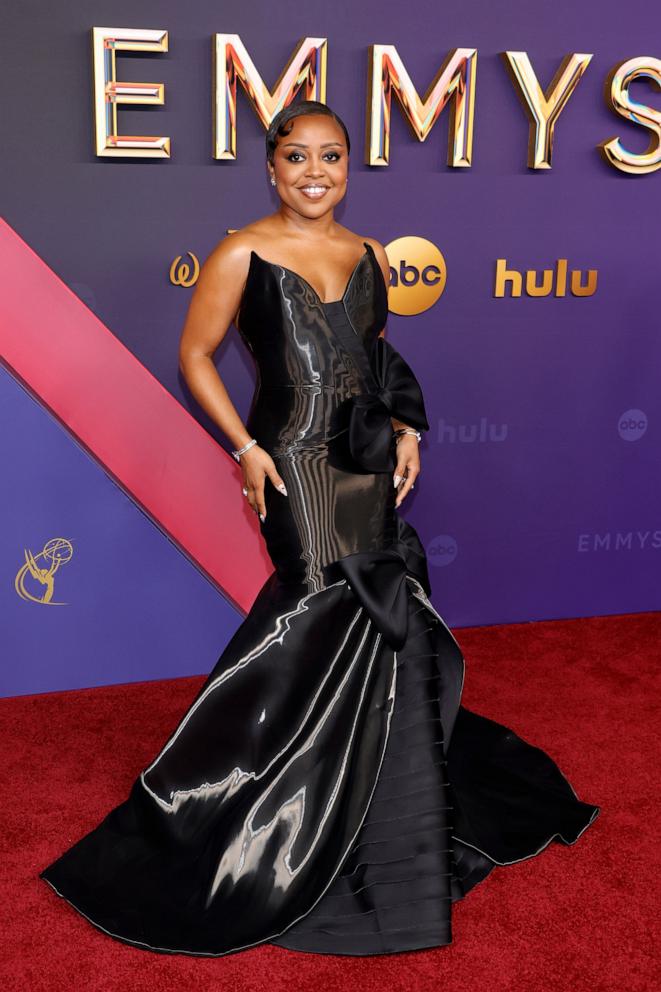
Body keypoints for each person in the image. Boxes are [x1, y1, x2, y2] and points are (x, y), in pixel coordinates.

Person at [38, 100, 600, 957]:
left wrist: (407, 428)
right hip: (292, 462)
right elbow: (197, 353)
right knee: (313, 604)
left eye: (330, 156)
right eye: (296, 156)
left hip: (365, 462)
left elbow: (375, 360)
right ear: (269, 167)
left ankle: (371, 789)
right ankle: (239, 787)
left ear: (348, 166)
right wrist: (243, 449)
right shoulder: (240, 252)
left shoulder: (368, 254)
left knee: (376, 613)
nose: (314, 172)